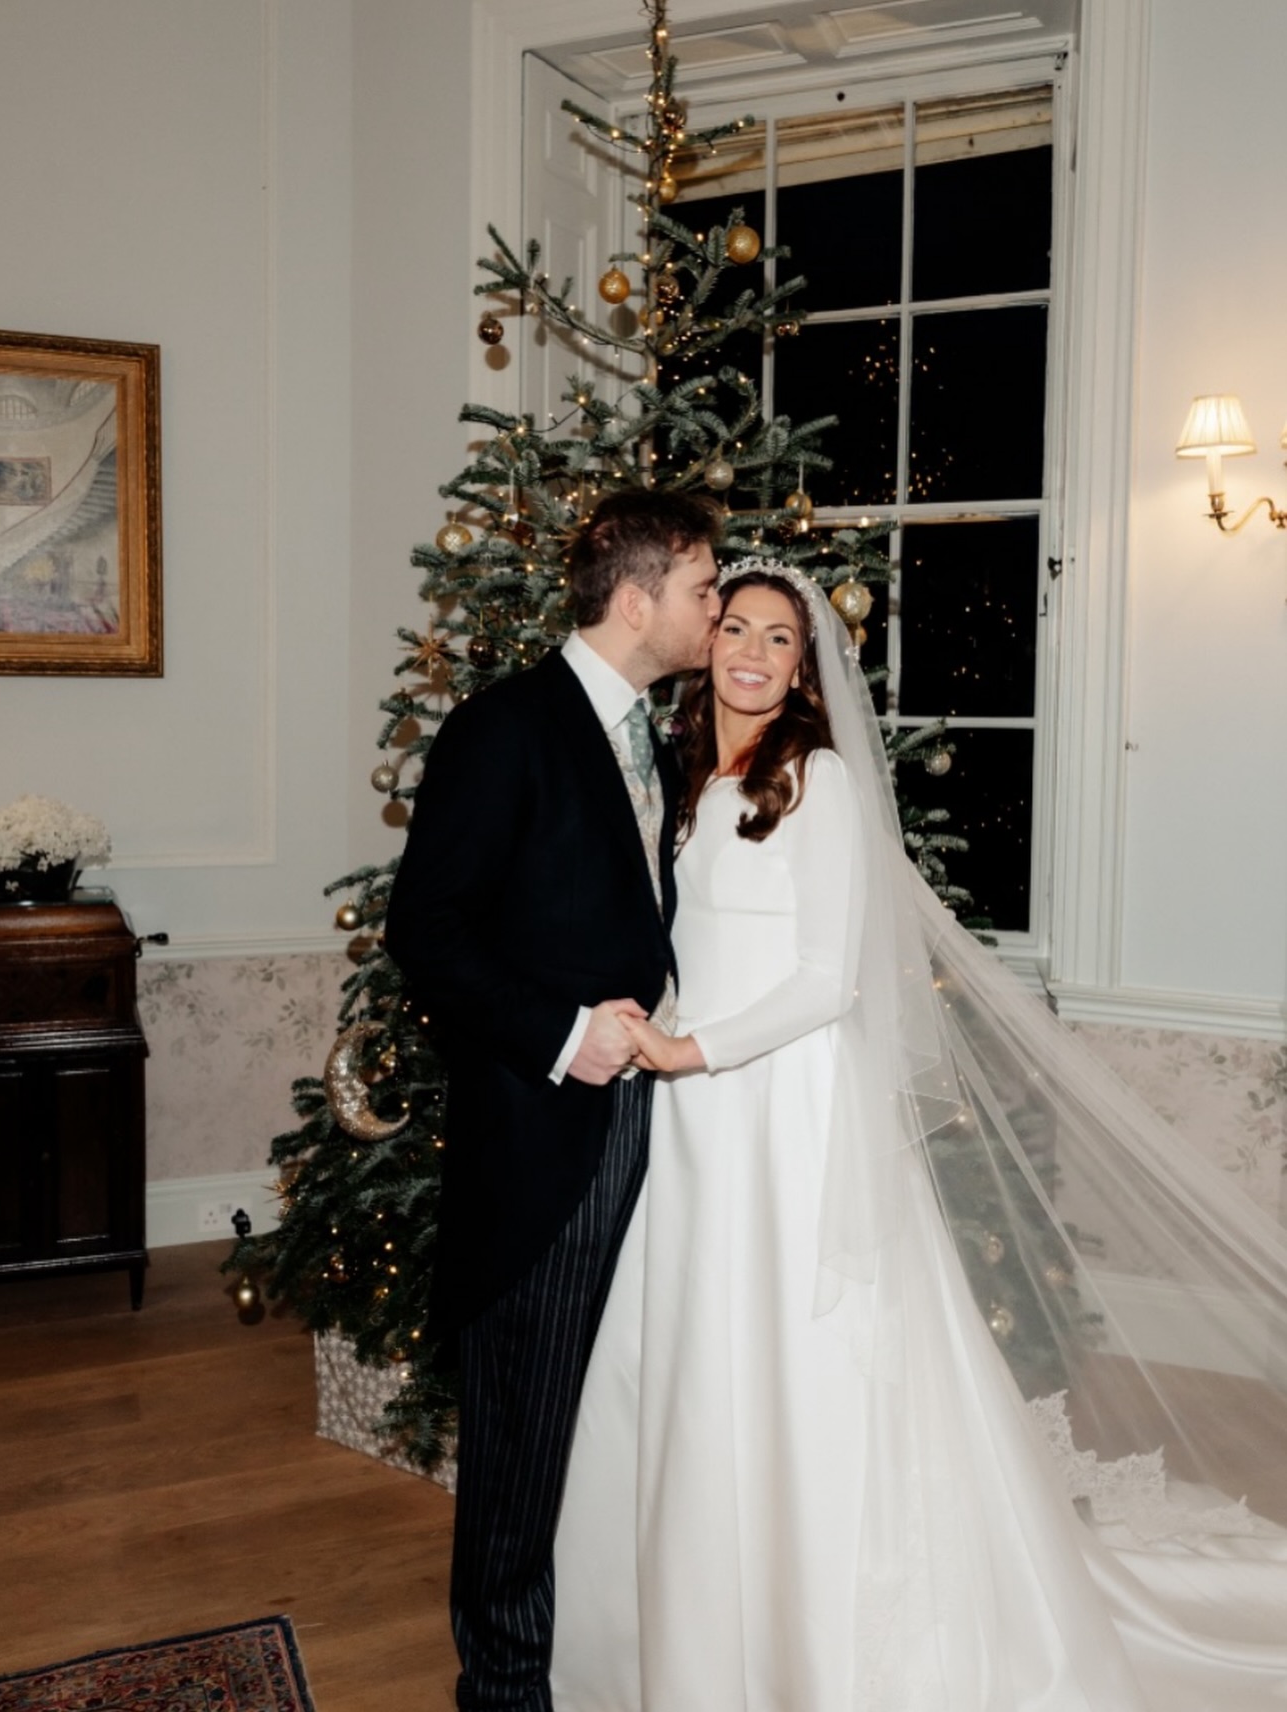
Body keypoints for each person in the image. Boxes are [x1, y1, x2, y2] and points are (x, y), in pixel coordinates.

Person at [550, 559, 1287, 1712]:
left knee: (797, 1355)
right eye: (733, 625)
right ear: (708, 643)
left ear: (804, 669)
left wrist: (703, 1048)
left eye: (779, 639)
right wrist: (672, 1023)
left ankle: (818, 1634)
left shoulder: (820, 781)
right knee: (694, 1353)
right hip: (698, 1120)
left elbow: (827, 978)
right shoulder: (693, 774)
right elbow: (697, 947)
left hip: (782, 1108)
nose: (751, 649)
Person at [383, 488, 723, 1712]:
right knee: (522, 1440)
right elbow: (425, 931)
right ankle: (505, 1687)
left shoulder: (658, 732)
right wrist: (565, 1033)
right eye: (701, 586)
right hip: (540, 1148)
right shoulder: (505, 728)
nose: (717, 607)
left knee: (606, 1417)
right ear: (636, 599)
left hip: (650, 1128)